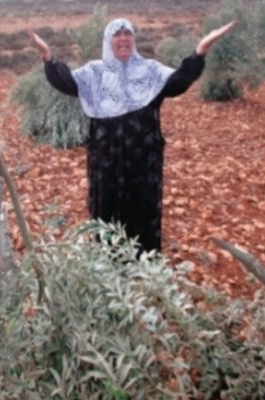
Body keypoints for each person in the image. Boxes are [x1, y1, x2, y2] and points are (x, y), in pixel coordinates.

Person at [28, 18, 235, 255]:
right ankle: (106, 268)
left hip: (144, 162)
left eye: (128, 33)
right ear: (108, 41)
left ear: (133, 40)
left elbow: (178, 82)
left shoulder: (150, 71)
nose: (123, 38)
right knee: (106, 211)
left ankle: (145, 268)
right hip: (105, 162)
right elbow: (65, 81)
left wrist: (201, 51)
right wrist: (47, 55)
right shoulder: (95, 73)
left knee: (143, 211)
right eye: (117, 34)